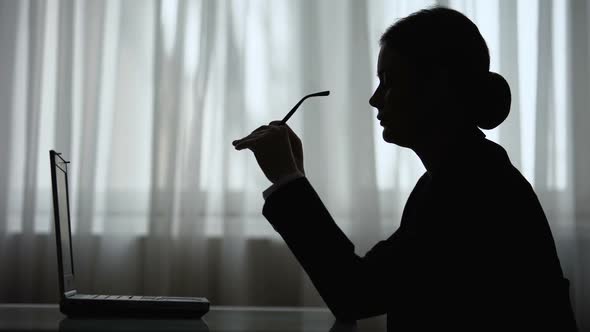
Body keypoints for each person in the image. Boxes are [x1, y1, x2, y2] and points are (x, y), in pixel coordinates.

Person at [232, 6, 577, 331]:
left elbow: (355, 293)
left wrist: (288, 180)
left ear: (438, 87)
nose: (375, 99)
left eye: (389, 80)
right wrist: (294, 178)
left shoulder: (472, 187)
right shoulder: (463, 173)